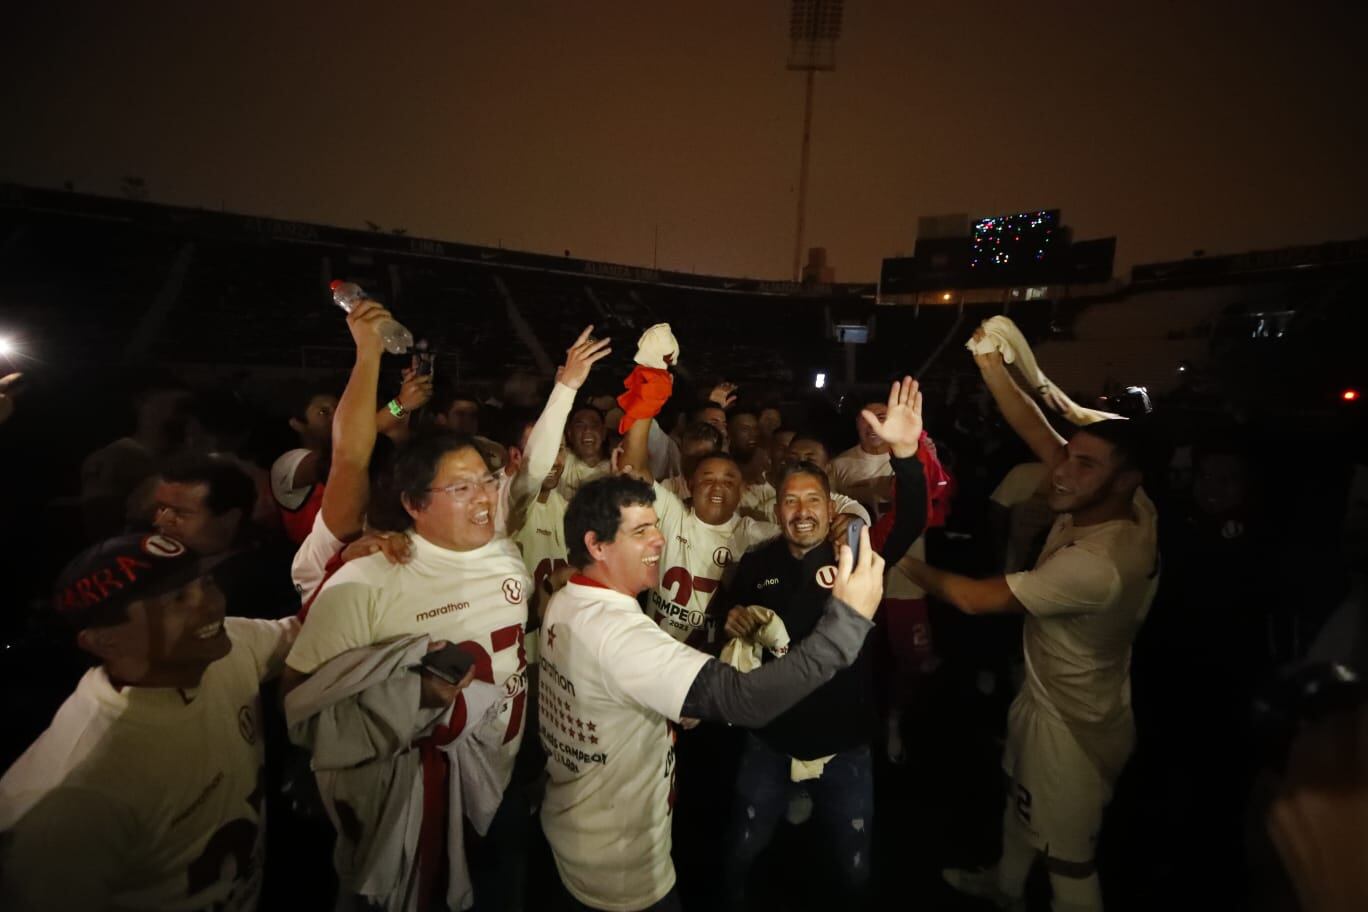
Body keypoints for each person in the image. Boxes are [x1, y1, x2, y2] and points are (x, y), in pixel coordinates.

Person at [538, 474, 888, 912]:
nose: (659, 540)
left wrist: (673, 701)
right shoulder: (623, 637)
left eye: (656, 526)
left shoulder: (566, 597)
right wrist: (846, 624)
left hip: (572, 827)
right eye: (641, 531)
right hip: (621, 865)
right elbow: (744, 700)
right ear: (597, 545)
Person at [913, 329, 1159, 912]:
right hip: (1048, 693)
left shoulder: (1098, 564)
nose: (1061, 472)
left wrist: (894, 555)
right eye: (1067, 457)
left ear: (1126, 480)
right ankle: (1005, 887)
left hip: (1074, 724)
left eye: (1084, 464)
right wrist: (990, 363)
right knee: (1019, 801)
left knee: (1068, 860)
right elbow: (1034, 428)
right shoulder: (1123, 501)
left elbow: (972, 598)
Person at [282, 428, 533, 911]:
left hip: (502, 779)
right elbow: (299, 703)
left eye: (487, 480)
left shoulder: (505, 553)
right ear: (414, 504)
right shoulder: (367, 580)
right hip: (413, 803)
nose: (484, 497)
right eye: (461, 487)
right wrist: (410, 698)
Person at [713, 378, 929, 909]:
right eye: (790, 501)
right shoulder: (757, 562)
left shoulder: (856, 557)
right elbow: (729, 612)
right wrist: (731, 618)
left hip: (845, 742)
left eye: (813, 499)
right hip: (770, 737)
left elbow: (912, 518)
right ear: (776, 510)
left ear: (832, 509)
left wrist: (906, 455)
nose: (801, 510)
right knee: (740, 851)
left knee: (854, 868)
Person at [0, 533, 298, 911]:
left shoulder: (228, 645)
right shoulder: (72, 796)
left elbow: (309, 633)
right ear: (103, 641)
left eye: (206, 582)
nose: (210, 605)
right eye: (177, 599)